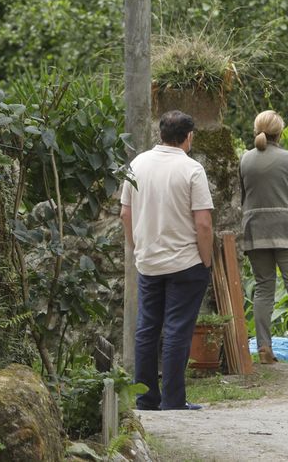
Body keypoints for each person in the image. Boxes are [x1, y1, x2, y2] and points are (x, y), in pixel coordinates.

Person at [121, 111, 214, 411]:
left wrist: (137, 246)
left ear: (160, 134)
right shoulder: (192, 169)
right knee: (177, 329)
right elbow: (203, 223)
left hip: (148, 261)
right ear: (188, 137)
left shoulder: (137, 164)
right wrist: (206, 260)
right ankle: (174, 399)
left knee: (147, 327)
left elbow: (125, 212)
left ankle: (146, 398)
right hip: (185, 262)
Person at [238, 110, 288, 367]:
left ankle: (263, 349)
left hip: (255, 231)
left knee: (263, 288)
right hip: (286, 230)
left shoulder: (244, 160)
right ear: (279, 133)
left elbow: (242, 197)